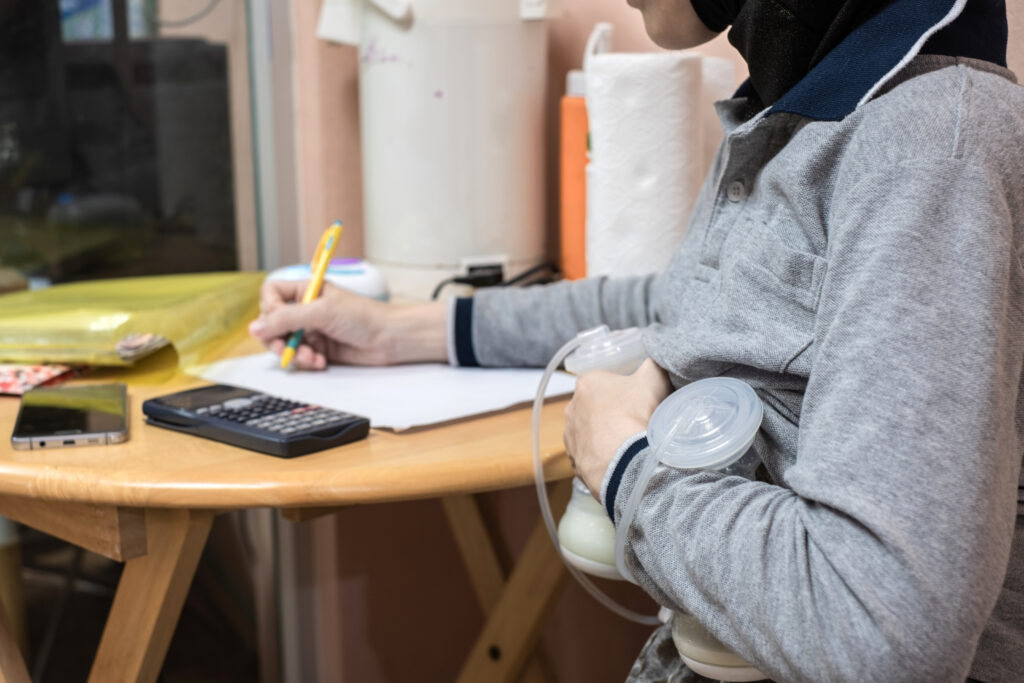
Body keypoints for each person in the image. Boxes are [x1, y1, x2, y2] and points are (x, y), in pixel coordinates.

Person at [249, 0, 1024, 680]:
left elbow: (883, 629)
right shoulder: (819, 108)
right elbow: (678, 301)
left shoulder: (932, 145)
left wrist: (623, 464)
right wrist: (408, 330)